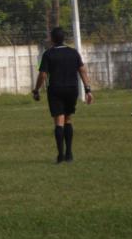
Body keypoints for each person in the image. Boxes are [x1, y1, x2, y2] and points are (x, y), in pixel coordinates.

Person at [32, 26, 94, 163]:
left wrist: (36, 90)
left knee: (59, 121)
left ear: (52, 39)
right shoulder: (73, 53)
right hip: (72, 89)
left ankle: (60, 155)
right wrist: (88, 90)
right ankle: (69, 154)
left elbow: (43, 75)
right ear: (63, 38)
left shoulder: (48, 54)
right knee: (68, 119)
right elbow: (82, 70)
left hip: (56, 89)